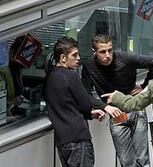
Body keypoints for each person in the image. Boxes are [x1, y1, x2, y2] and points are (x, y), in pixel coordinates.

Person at [81, 34, 153, 167]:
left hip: (135, 108)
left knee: (143, 159)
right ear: (94, 52)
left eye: (110, 50)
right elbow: (85, 93)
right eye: (103, 52)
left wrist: (144, 86)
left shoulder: (125, 58)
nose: (107, 55)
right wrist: (105, 107)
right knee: (126, 161)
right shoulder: (89, 65)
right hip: (116, 114)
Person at [44, 36, 105, 167]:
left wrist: (89, 114)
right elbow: (86, 104)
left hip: (62, 140)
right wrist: (90, 112)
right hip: (78, 138)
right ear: (62, 58)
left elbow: (65, 105)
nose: (78, 58)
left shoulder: (50, 77)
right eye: (74, 55)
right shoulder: (71, 76)